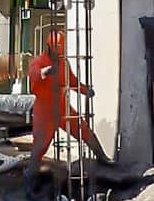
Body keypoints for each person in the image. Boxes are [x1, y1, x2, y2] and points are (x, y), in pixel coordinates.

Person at [27, 30, 111, 176]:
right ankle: (30, 177)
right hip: (44, 112)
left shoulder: (63, 63)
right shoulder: (39, 62)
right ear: (49, 47)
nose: (59, 53)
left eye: (61, 49)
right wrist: (44, 73)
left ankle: (103, 158)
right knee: (40, 146)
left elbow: (71, 81)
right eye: (56, 49)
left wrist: (85, 90)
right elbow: (33, 74)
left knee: (84, 131)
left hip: (62, 108)